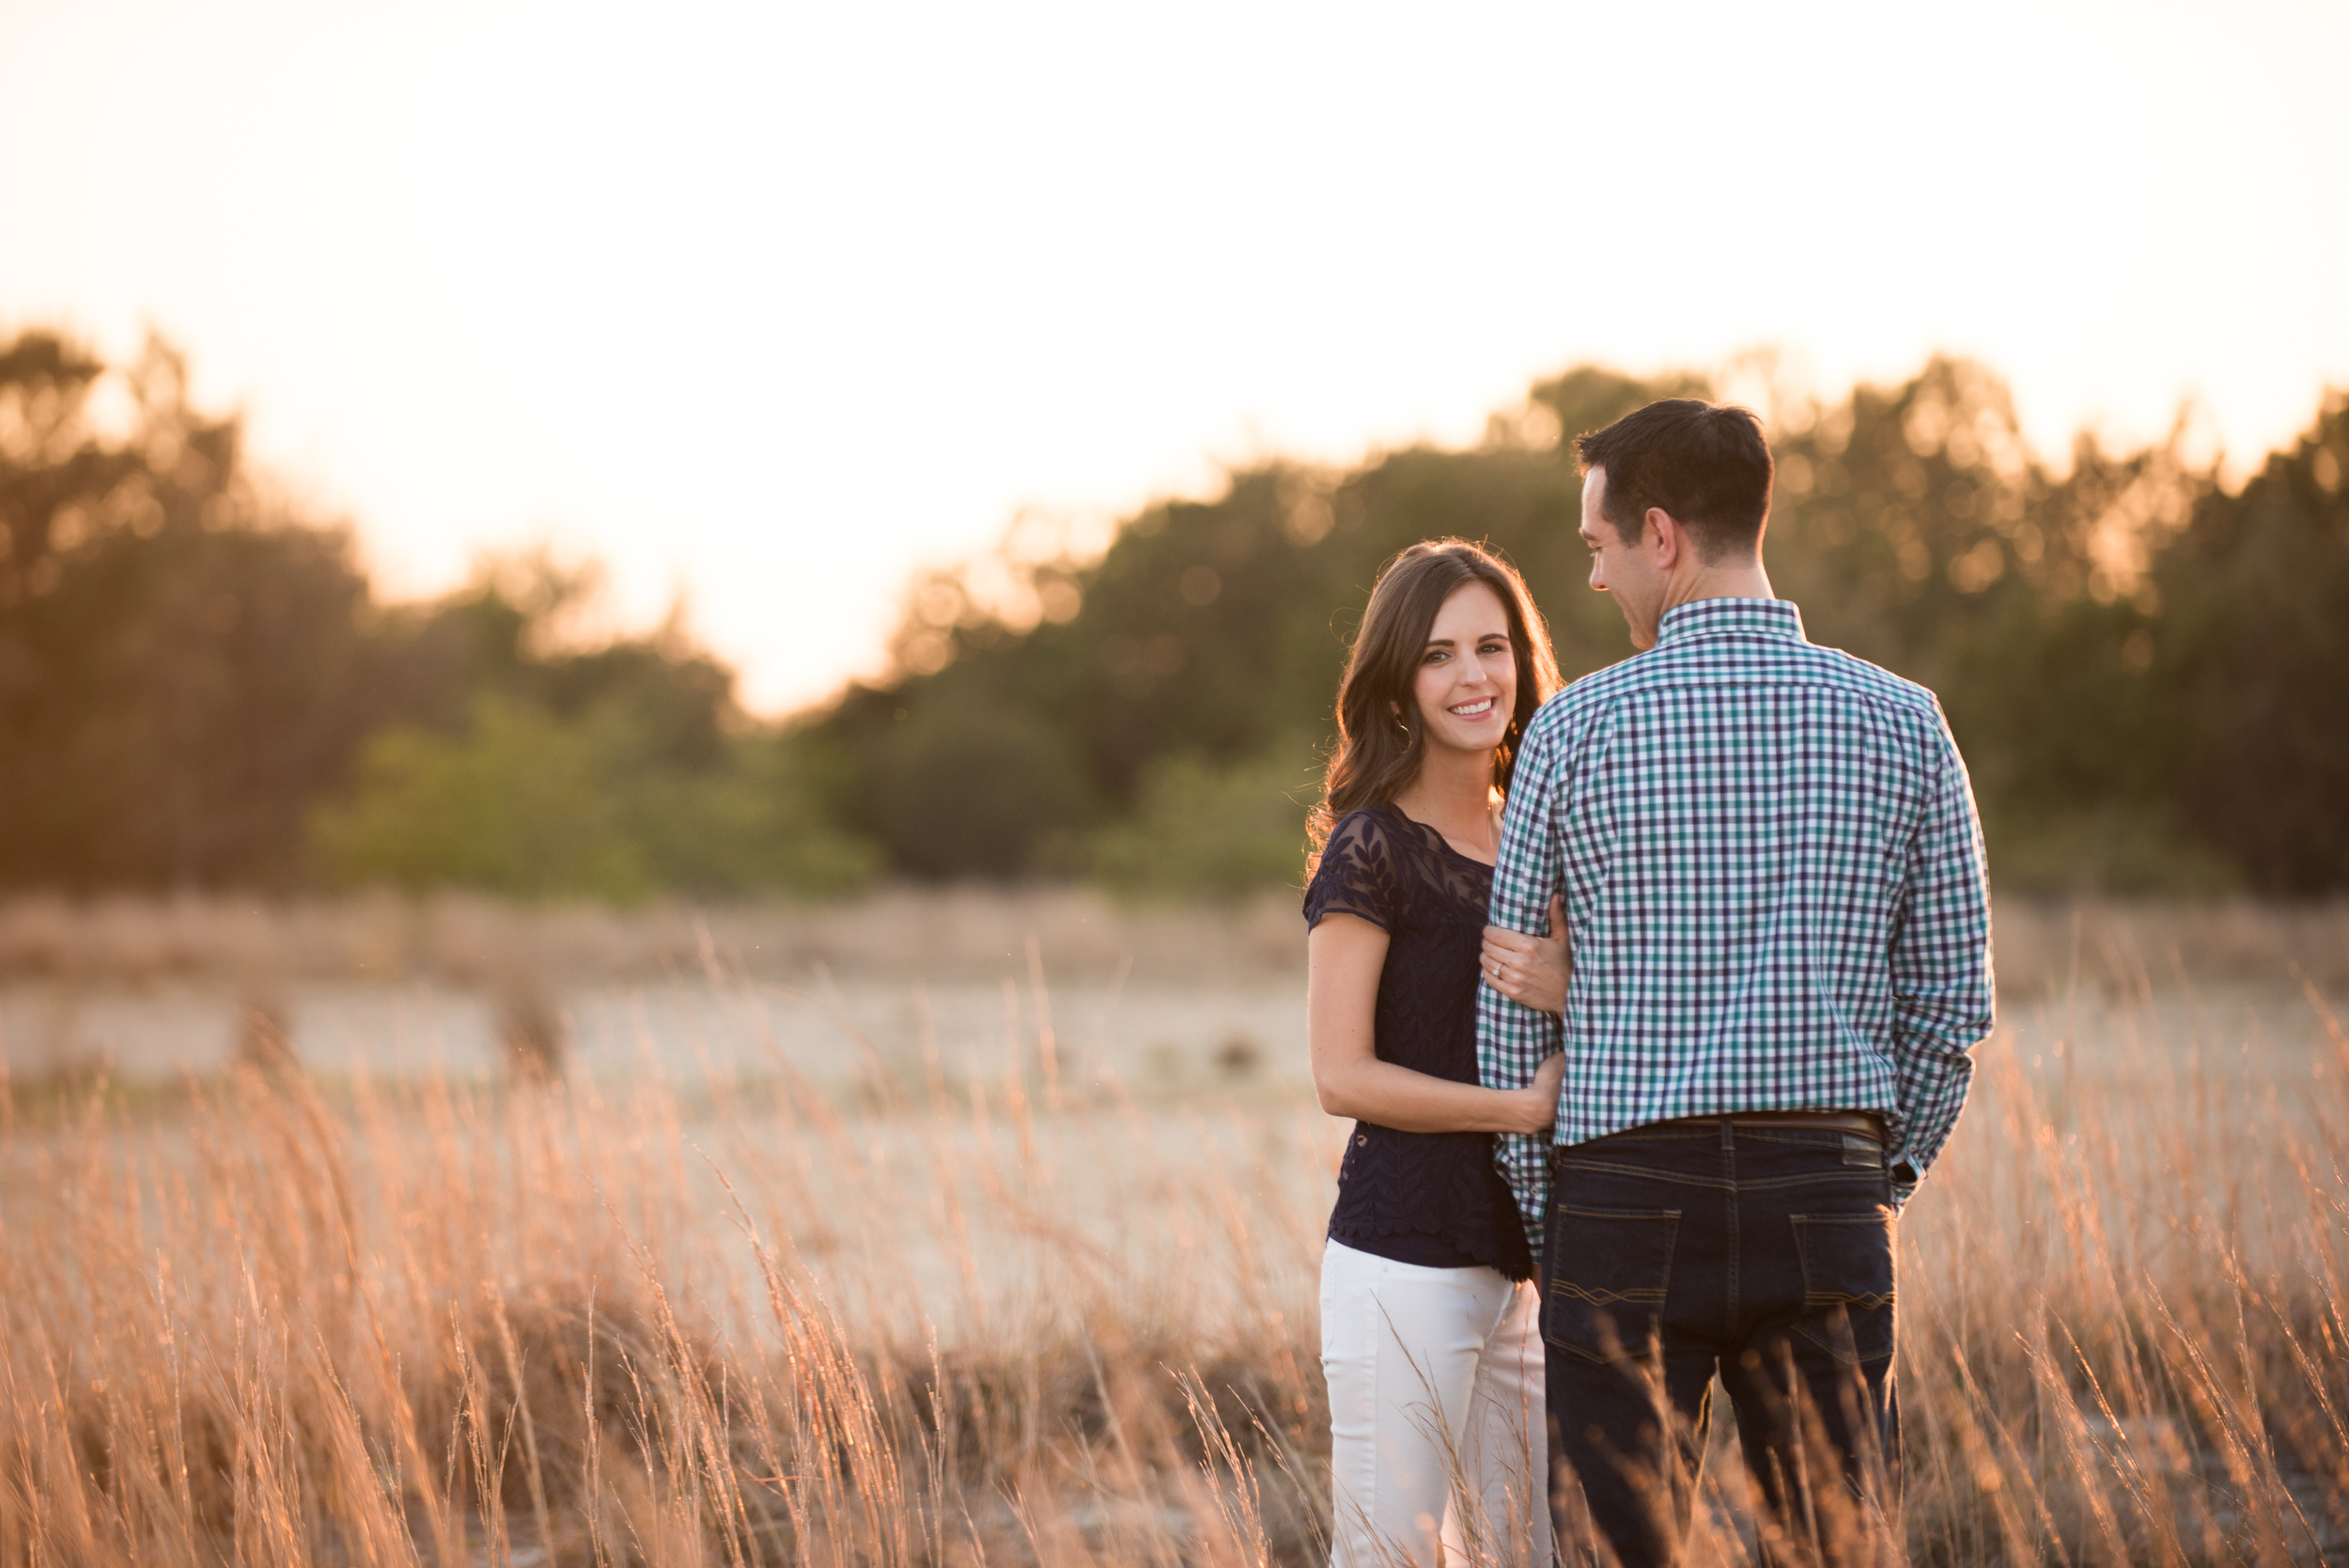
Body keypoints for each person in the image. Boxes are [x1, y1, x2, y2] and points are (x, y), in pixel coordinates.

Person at [1475, 400, 1994, 1567]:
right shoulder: (1905, 721)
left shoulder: (1570, 731)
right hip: (1825, 1187)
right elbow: (1952, 1001)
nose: (1597, 576)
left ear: (1659, 534)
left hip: (1617, 1196)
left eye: (1598, 545)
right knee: (1838, 1549)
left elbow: (1508, 1009)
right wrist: (1871, 1174)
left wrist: (1551, 1214)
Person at [1304, 539, 1572, 1567]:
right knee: (1394, 1556)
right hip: (1402, 1259)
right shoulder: (1372, 844)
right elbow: (1341, 1075)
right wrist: (1515, 1108)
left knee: (1536, 1552)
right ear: (1399, 686)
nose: (1472, 678)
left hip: (1532, 1270)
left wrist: (1572, 987)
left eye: (1491, 647)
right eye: (1439, 654)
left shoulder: (1544, 841)